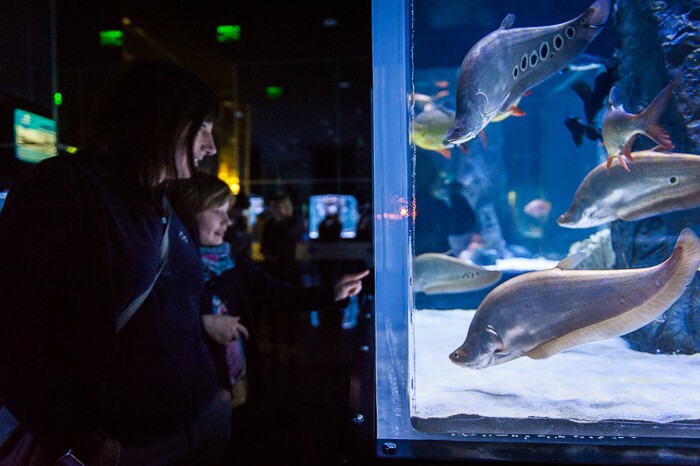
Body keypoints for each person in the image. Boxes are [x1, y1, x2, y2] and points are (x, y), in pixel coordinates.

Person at [0, 60, 231, 465]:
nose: (210, 146)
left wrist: (214, 384)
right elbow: (13, 334)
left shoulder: (162, 202)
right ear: (159, 120)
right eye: (203, 127)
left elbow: (161, 304)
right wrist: (79, 440)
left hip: (200, 417)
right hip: (124, 444)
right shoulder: (63, 188)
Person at [167, 173, 368, 461]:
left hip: (239, 388)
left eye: (227, 213)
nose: (227, 222)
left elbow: (279, 294)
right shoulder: (169, 270)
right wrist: (203, 325)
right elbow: (157, 329)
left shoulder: (233, 263)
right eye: (216, 213)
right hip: (189, 402)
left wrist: (332, 293)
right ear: (189, 214)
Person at [259, 192, 304, 286]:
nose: (273, 209)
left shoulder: (293, 223)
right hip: (272, 267)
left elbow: (289, 241)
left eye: (276, 206)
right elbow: (264, 243)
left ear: (285, 207)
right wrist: (267, 256)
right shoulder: (269, 224)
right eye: (272, 206)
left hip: (289, 267)